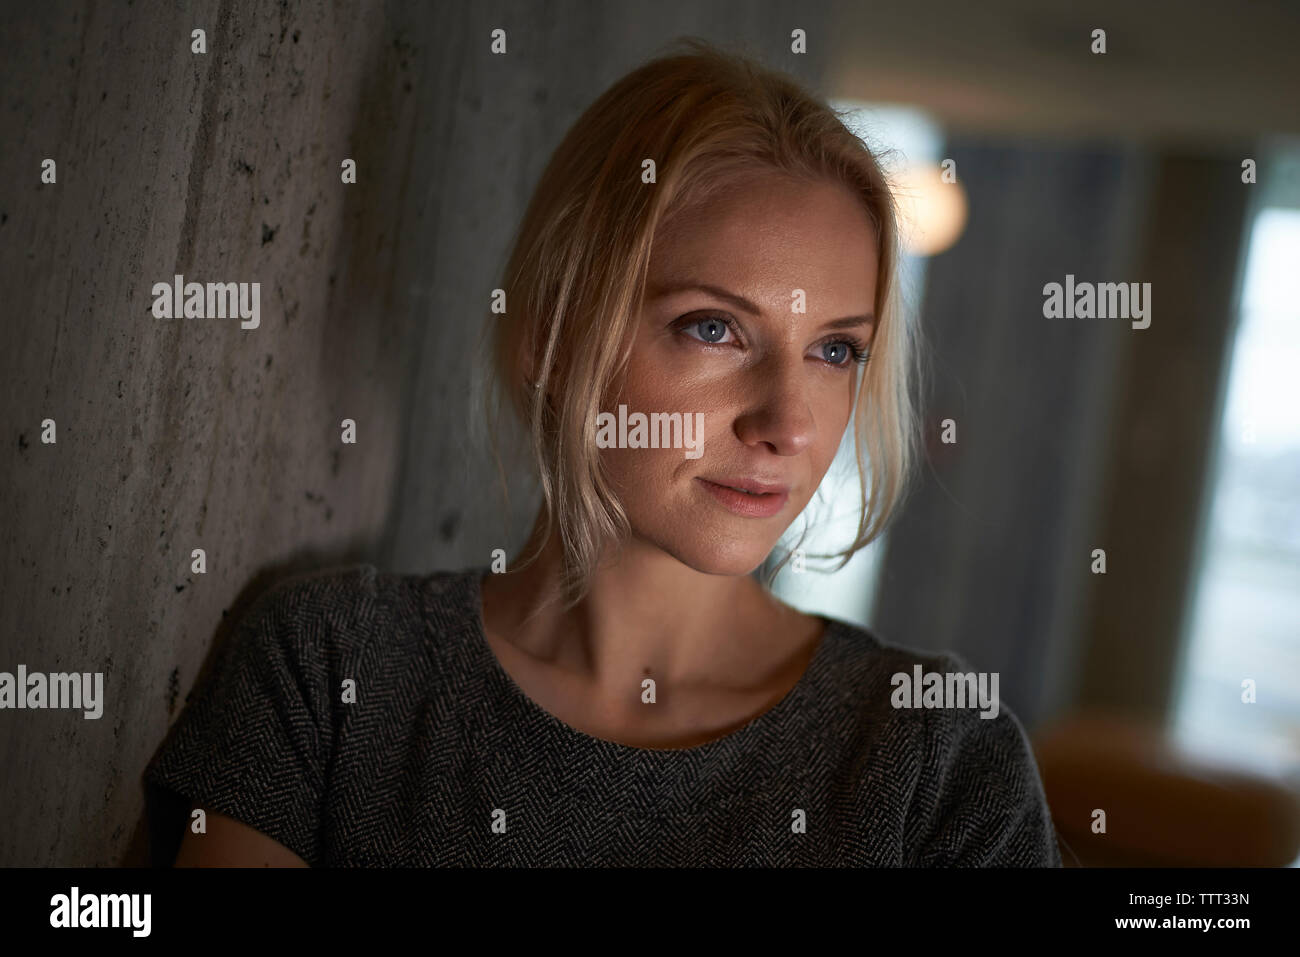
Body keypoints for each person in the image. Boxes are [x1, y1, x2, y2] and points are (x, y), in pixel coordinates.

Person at [144, 37, 1061, 867]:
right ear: (551, 333)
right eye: (715, 327)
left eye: (835, 350)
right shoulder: (334, 669)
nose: (788, 422)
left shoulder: (935, 760)